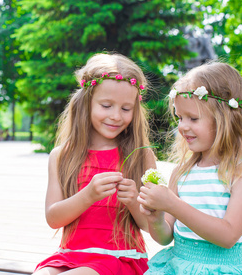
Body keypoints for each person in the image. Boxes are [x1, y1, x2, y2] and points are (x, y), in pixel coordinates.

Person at [137, 61, 242, 274]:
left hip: (225, 268)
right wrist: (157, 218)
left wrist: (172, 204)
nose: (182, 126)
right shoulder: (182, 173)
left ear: (224, 119)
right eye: (180, 117)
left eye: (193, 118)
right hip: (178, 265)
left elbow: (228, 236)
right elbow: (165, 237)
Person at [34, 53, 157, 275]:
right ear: (86, 103)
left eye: (125, 109)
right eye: (106, 105)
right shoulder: (62, 156)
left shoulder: (141, 156)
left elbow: (151, 226)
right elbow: (53, 218)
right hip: (70, 256)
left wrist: (132, 202)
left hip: (120, 258)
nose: (116, 116)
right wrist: (88, 195)